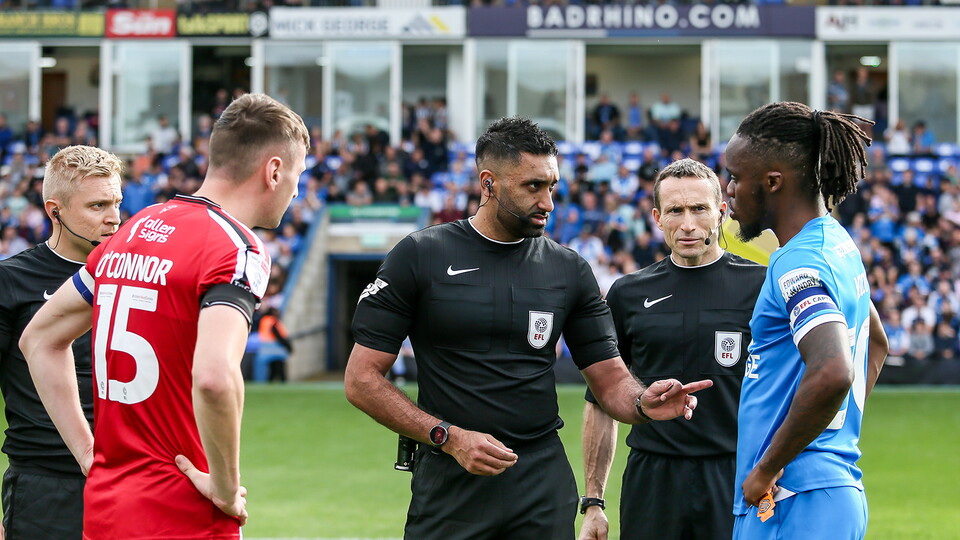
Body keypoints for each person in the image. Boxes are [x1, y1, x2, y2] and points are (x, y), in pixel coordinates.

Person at [345, 116, 711, 540]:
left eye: (552, 186)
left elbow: (610, 379)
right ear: (489, 183)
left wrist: (644, 403)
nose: (548, 202)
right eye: (533, 186)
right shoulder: (420, 254)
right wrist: (447, 437)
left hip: (540, 480)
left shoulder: (568, 268)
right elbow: (361, 379)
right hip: (451, 478)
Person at [19, 93, 309, 539]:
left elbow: (38, 339)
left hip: (106, 508)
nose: (295, 190)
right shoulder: (236, 246)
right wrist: (228, 490)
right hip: (182, 511)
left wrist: (88, 454)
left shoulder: (134, 230)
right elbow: (214, 377)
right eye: (296, 175)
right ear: (273, 171)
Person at [724, 101, 888, 539]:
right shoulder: (837, 243)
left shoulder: (798, 264)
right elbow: (876, 342)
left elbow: (833, 370)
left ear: (773, 182)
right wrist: (835, 429)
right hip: (824, 489)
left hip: (792, 498)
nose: (728, 191)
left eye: (736, 178)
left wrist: (769, 466)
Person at [578, 158, 766, 540]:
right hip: (653, 479)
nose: (688, 224)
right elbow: (600, 399)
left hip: (734, 475)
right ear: (657, 217)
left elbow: (791, 387)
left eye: (699, 209)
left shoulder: (761, 286)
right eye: (675, 211)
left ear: (721, 212)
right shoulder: (629, 293)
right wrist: (594, 503)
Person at [0, 145, 123, 539]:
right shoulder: (12, 280)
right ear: (55, 211)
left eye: (117, 202)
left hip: (130, 483)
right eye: (97, 206)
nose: (114, 218)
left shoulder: (135, 275)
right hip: (46, 488)